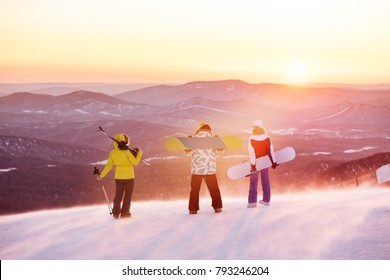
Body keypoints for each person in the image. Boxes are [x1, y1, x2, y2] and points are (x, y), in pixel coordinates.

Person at [97, 133, 143, 219]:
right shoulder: (127, 152)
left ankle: (116, 213)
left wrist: (101, 175)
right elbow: (135, 162)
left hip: (118, 177)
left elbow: (109, 166)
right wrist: (139, 153)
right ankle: (125, 213)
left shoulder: (112, 153)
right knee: (128, 196)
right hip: (129, 177)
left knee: (118, 196)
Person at [186, 122, 223, 214]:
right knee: (214, 189)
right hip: (210, 169)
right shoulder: (213, 140)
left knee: (194, 190)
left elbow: (189, 154)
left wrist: (187, 147)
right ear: (209, 130)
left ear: (199, 129)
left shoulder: (194, 140)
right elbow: (218, 154)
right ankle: (217, 207)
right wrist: (220, 147)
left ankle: (193, 209)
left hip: (196, 169)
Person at [247, 120, 278, 207]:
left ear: (254, 127)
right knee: (265, 181)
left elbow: (252, 153)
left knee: (253, 182)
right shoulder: (267, 137)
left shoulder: (251, 138)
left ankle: (252, 202)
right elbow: (271, 150)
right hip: (265, 161)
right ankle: (266, 200)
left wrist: (253, 165)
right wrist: (274, 162)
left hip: (256, 162)